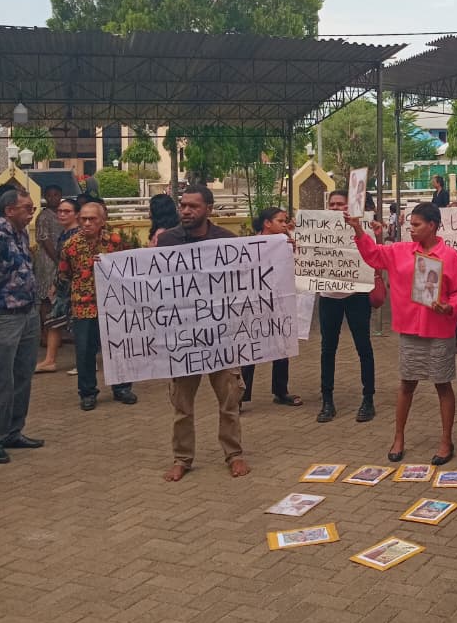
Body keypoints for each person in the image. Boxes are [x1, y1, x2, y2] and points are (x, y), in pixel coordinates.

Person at [346, 201, 457, 465]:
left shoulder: (449, 256)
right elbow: (373, 255)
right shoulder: (400, 251)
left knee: (442, 384)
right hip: (410, 329)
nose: (410, 229)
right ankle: (398, 437)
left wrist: (450, 306)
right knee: (407, 384)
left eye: (416, 225)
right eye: (410, 224)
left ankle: (446, 441)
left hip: (439, 329)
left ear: (432, 226)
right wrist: (358, 230)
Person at [156, 185, 249, 481]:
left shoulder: (226, 241)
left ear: (208, 209)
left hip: (221, 334)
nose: (185, 211)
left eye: (193, 206)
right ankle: (182, 458)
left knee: (229, 400)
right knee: (182, 404)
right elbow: (150, 280)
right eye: (182, 205)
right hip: (184, 337)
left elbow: (244, 278)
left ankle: (234, 454)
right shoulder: (167, 241)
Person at [57, 200, 137, 411]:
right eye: (83, 219)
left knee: (118, 348)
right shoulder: (70, 245)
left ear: (102, 220)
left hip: (112, 305)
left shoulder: (115, 241)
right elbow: (64, 273)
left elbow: (129, 266)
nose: (87, 223)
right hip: (83, 306)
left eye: (92, 219)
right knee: (84, 351)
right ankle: (87, 393)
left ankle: (122, 388)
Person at [316, 189, 377, 424]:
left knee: (364, 347)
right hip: (328, 295)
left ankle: (368, 399)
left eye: (340, 204)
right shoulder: (317, 228)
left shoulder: (362, 227)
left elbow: (373, 254)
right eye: (331, 204)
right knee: (327, 349)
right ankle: (327, 401)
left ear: (348, 207)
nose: (335, 208)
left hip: (356, 295)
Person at [0, 189, 44, 463]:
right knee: (2, 378)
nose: (31, 212)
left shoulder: (22, 234)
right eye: (27, 208)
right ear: (9, 210)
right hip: (5, 316)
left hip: (28, 313)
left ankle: (13, 431)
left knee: (23, 374)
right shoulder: (0, 237)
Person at [241, 207, 303, 407]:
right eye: (280, 221)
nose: (285, 225)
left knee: (282, 346)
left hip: (279, 302)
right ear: (267, 223)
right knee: (250, 348)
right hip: (254, 303)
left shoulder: (286, 243)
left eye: (285, 221)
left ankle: (280, 391)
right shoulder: (249, 245)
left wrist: (294, 250)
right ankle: (240, 396)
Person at [34, 196, 80, 372]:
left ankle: (84, 361)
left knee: (77, 325)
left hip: (75, 287)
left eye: (67, 211)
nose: (62, 214)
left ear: (76, 214)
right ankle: (50, 360)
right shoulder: (65, 234)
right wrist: (56, 283)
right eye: (60, 211)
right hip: (62, 284)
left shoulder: (77, 236)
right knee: (54, 320)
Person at [34, 185, 63, 339]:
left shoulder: (62, 214)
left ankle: (56, 333)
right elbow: (45, 239)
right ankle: (45, 333)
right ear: (45, 197)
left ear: (61, 196)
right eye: (49, 195)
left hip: (60, 259)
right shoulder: (44, 216)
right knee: (46, 297)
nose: (53, 198)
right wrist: (57, 260)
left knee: (57, 296)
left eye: (56, 194)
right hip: (47, 260)